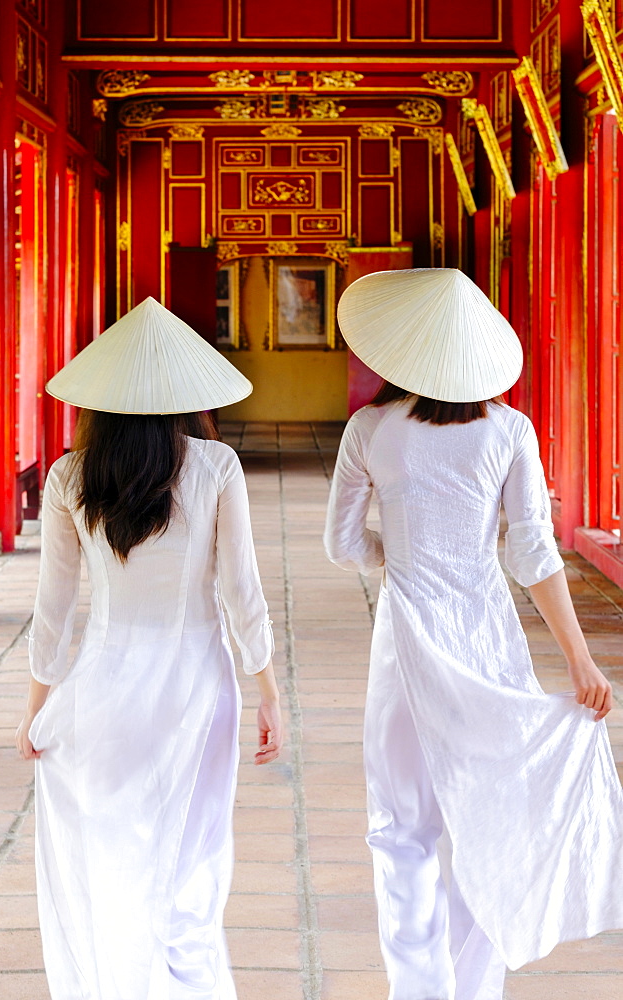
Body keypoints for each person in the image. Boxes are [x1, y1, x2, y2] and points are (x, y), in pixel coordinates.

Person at [324, 268, 623, 1000]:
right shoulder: (511, 430)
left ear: (408, 350)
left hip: (406, 645)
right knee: (488, 814)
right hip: (488, 639)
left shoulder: (370, 429)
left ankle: (418, 989)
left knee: (400, 829)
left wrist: (389, 557)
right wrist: (580, 660)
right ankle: (475, 990)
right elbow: (532, 553)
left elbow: (340, 543)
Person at [15, 296, 283, 1000]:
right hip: (197, 689)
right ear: (184, 390)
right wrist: (269, 694)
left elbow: (53, 616)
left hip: (101, 696)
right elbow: (241, 595)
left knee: (110, 862)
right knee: (192, 875)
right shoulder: (216, 466)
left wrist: (35, 709)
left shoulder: (71, 477)